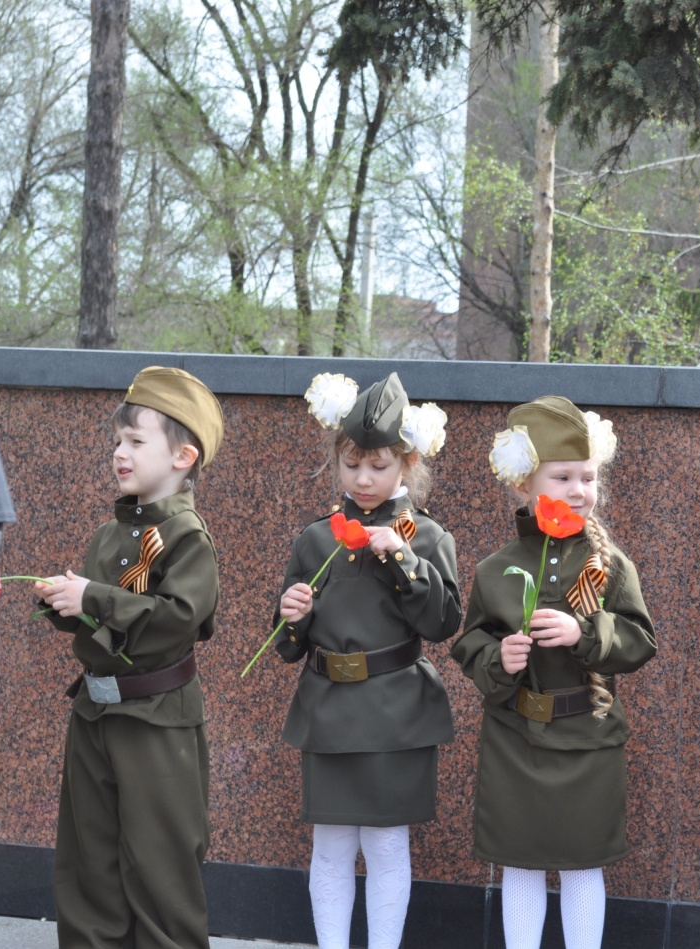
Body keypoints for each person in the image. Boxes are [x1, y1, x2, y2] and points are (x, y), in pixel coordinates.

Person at [452, 396, 657, 949]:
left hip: (587, 737)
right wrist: (501, 659)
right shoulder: (495, 569)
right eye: (562, 476)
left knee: (582, 864)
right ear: (525, 484)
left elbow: (640, 641)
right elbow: (469, 641)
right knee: (519, 863)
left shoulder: (610, 566)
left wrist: (584, 634)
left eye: (587, 477)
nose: (578, 489)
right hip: (515, 738)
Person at [36, 366, 224, 948]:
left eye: (136, 442)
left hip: (156, 720)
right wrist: (65, 604)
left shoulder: (188, 538)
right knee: (89, 866)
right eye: (118, 441)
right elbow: (104, 629)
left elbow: (175, 620)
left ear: (183, 455)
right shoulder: (110, 534)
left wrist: (94, 596)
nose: (120, 453)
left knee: (161, 868)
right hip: (95, 715)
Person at [271, 372, 459, 949]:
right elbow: (286, 647)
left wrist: (404, 560)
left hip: (395, 712)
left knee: (385, 845)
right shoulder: (316, 539)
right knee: (329, 847)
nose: (364, 478)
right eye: (352, 465)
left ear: (407, 465)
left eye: (378, 465)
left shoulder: (425, 537)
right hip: (328, 708)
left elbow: (444, 624)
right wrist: (291, 615)